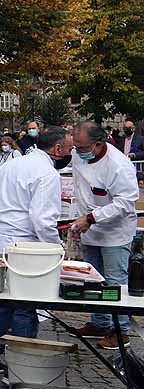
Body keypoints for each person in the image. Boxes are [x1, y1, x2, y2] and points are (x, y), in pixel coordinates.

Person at [0, 126, 71, 377]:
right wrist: (56, 248)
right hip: (24, 246)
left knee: (5, 302)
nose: (72, 154)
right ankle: (19, 369)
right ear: (58, 150)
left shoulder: (15, 164)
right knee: (26, 305)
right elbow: (42, 218)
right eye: (70, 149)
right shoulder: (48, 173)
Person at [68, 122, 140, 349]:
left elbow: (125, 203)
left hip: (113, 232)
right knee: (92, 279)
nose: (77, 151)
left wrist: (91, 218)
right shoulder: (79, 155)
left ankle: (121, 331)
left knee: (115, 282)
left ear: (98, 144)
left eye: (81, 147)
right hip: (89, 228)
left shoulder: (119, 165)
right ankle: (99, 322)